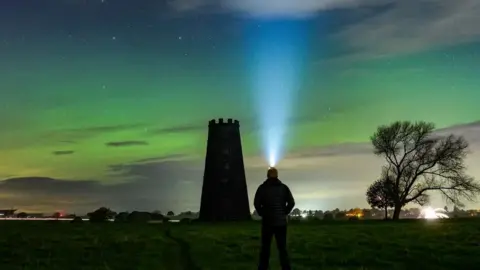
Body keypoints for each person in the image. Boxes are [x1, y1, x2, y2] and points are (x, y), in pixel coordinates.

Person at [254, 167, 295, 270]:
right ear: (277, 175)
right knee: (282, 248)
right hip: (281, 223)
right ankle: (286, 268)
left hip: (267, 222)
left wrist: (262, 213)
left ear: (267, 175)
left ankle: (263, 268)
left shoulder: (262, 188)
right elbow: (291, 202)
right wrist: (284, 212)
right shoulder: (284, 188)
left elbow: (256, 203)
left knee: (265, 248)